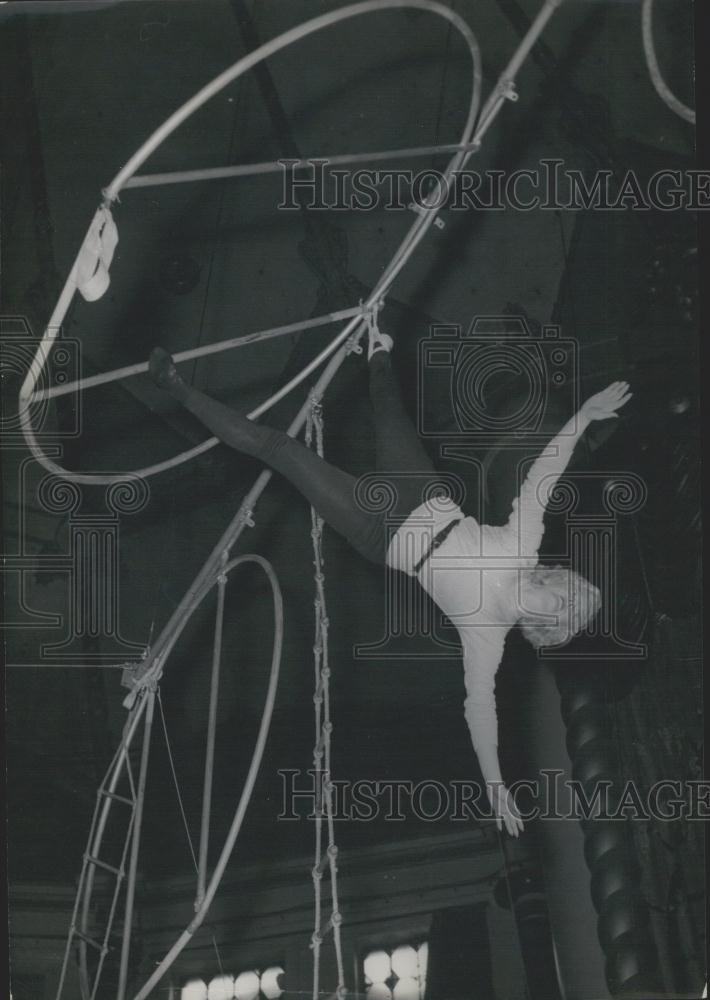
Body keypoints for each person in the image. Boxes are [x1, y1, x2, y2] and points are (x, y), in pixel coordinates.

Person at [149, 321, 631, 837]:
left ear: (539, 628)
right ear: (549, 576)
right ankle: (379, 345)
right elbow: (542, 478)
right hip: (420, 491)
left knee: (279, 449)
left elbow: (480, 709)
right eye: (552, 590)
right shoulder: (522, 547)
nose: (540, 598)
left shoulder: (486, 636)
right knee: (387, 404)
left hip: (376, 532)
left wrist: (494, 784)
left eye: (548, 613)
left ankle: (175, 387)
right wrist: (582, 416)